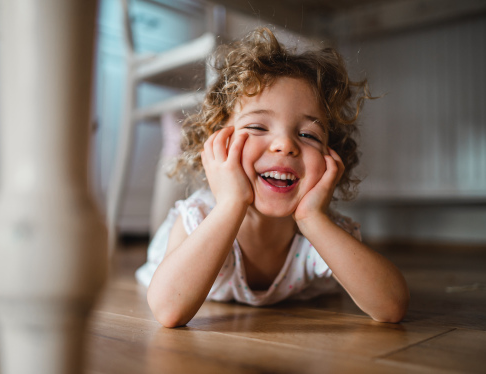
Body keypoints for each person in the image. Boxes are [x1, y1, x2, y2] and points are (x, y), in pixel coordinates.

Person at [135, 27, 410, 328]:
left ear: (332, 157)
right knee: (165, 226)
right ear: (220, 144)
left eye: (307, 134)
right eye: (257, 127)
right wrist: (230, 203)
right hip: (173, 256)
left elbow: (392, 307)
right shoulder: (197, 216)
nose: (286, 145)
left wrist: (311, 219)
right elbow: (167, 310)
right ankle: (180, 142)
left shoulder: (321, 231)